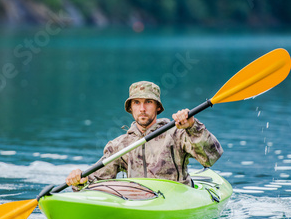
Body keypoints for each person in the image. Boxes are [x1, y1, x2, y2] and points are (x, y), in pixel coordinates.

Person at [66, 81, 223, 189]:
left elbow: (211, 157)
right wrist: (81, 180)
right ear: (130, 108)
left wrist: (192, 126)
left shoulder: (177, 134)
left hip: (176, 198)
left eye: (148, 102)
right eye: (136, 103)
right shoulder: (120, 145)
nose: (142, 108)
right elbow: (96, 180)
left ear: (157, 108)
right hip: (138, 199)